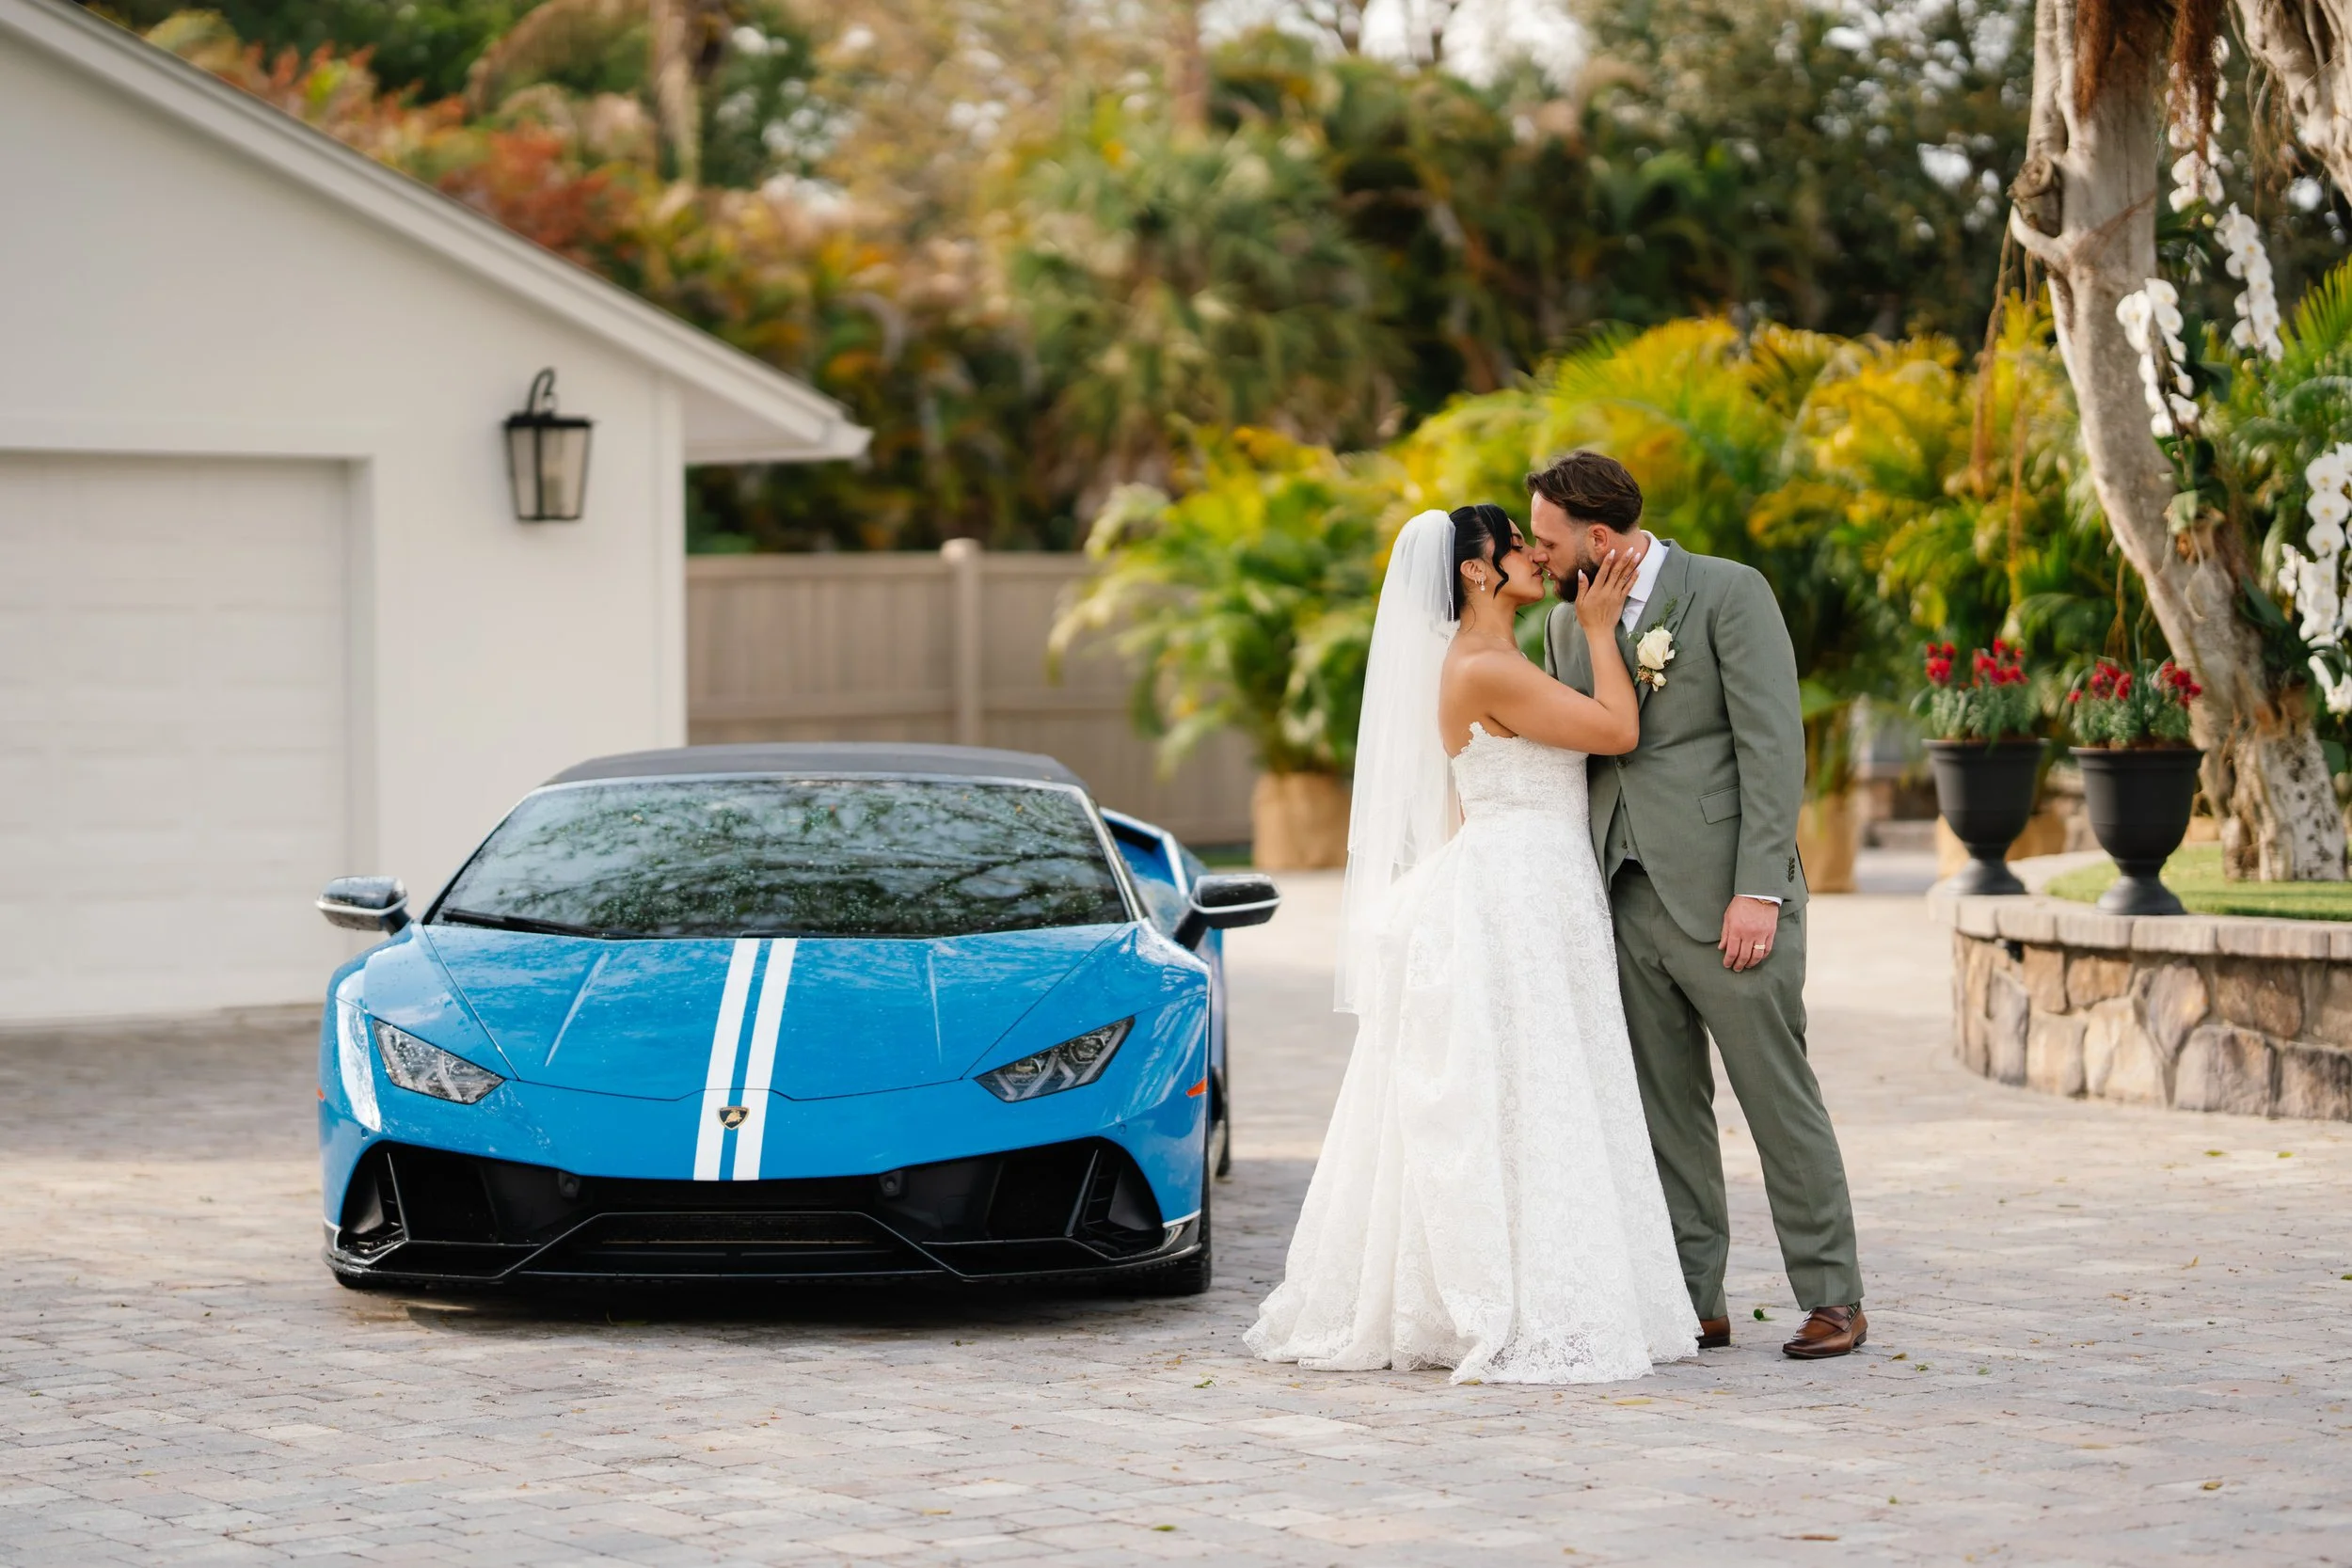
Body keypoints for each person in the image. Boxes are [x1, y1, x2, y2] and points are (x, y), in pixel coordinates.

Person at [1245, 504, 1698, 1384]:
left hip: (1529, 888)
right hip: (1519, 890)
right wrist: (1603, 630)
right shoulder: (1485, 666)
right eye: (1517, 544)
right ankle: (1504, 1296)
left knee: (1538, 1089)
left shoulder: (1500, 658)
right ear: (1474, 572)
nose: (1535, 554)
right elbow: (1616, 731)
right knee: (1529, 1086)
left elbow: (1466, 797)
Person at [1530, 450, 1867, 1360]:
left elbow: (1772, 746)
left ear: (1599, 539)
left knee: (1774, 1094)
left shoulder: (1728, 591)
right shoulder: (1567, 628)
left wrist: (1758, 889)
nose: (1539, 553)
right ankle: (1692, 1297)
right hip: (1625, 897)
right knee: (1663, 1111)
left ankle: (1832, 1293)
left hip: (1728, 897)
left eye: (1549, 539)